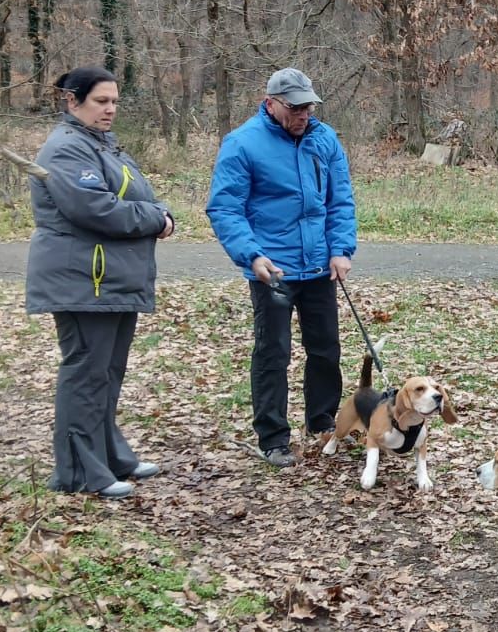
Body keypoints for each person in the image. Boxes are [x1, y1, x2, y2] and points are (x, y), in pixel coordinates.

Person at [26, 66, 175, 499]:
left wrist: (159, 212)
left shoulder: (103, 144)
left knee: (107, 374)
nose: (110, 109)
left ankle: (110, 457)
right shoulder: (65, 149)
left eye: (114, 101)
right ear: (72, 101)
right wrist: (156, 218)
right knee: (86, 374)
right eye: (101, 101)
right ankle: (79, 472)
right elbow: (96, 208)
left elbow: (138, 197)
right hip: (82, 281)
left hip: (110, 281)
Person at [206, 68, 357, 468]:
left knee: (326, 348)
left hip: (319, 266)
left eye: (308, 107)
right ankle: (272, 437)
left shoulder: (325, 140)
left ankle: (322, 421)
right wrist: (252, 255)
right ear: (271, 103)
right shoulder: (242, 144)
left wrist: (340, 249)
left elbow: (340, 200)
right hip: (272, 269)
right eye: (294, 108)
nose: (303, 114)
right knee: (273, 352)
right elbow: (225, 208)